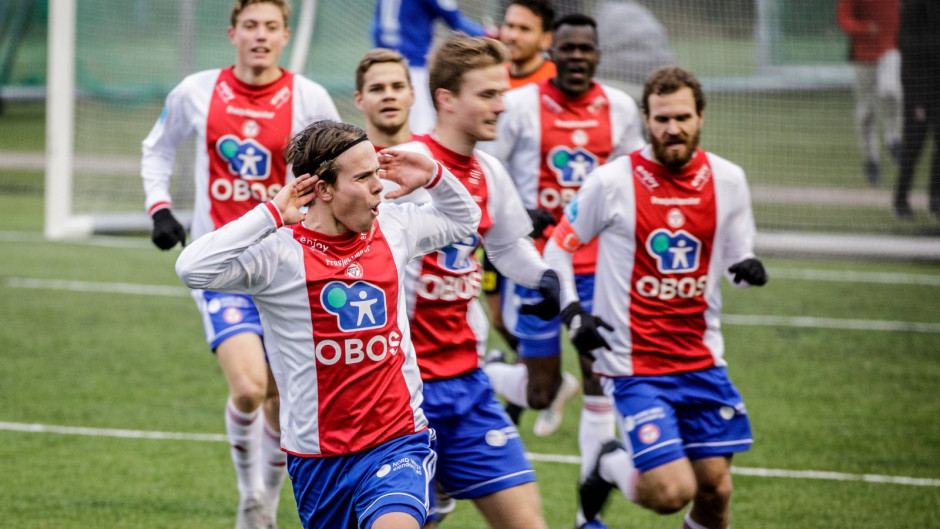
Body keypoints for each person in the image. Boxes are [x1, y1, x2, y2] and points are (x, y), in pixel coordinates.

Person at [176, 119, 482, 529]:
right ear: (323, 189)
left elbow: (465, 220)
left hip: (396, 440)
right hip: (317, 459)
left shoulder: (394, 227)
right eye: (364, 177)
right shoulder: (278, 255)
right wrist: (271, 213)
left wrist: (434, 175)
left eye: (377, 173)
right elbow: (192, 268)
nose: (379, 186)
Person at [139, 2, 339, 527]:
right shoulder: (196, 91)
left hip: (284, 266)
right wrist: (159, 208)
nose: (260, 35)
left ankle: (264, 504)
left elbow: (335, 169)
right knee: (249, 388)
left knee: (279, 396)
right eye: (250, 26)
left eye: (271, 27)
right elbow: (157, 148)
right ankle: (248, 494)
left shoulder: (309, 97)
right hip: (222, 265)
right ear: (233, 33)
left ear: (285, 35)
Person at [542, 66, 768, 529]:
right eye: (662, 118)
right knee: (672, 492)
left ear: (701, 117)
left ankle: (609, 461)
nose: (672, 128)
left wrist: (747, 269)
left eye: (682, 117)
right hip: (634, 365)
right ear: (646, 119)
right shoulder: (611, 182)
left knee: (715, 492)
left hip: (701, 360)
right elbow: (556, 249)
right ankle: (609, 463)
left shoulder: (729, 180)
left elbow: (737, 266)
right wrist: (573, 313)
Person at [391, 33, 557, 529]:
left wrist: (545, 278)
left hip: (467, 383)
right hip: (400, 390)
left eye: (502, 93)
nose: (501, 106)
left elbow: (506, 246)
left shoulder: (489, 171)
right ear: (446, 99)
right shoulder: (401, 167)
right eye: (487, 94)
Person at [480, 13, 645, 489]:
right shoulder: (521, 105)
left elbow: (633, 179)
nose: (576, 57)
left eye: (584, 49)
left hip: (600, 270)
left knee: (599, 381)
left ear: (597, 55)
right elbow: (488, 169)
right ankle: (491, 370)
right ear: (553, 53)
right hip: (537, 269)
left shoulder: (620, 107)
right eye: (567, 49)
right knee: (541, 392)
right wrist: (516, 212)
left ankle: (587, 512)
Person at [370, 0, 487, 135]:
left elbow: (375, 29)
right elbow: (455, 21)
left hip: (385, 66)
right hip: (413, 67)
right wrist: (488, 35)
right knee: (421, 128)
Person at [837, 0, 901, 186]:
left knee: (894, 97)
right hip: (865, 57)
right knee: (867, 111)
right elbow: (844, 20)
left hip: (892, 52)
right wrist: (865, 27)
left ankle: (893, 139)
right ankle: (871, 159)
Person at [893, 0, 940, 219]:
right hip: (918, 90)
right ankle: (900, 199)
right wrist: (918, 99)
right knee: (913, 146)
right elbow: (906, 44)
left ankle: (935, 201)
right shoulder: (914, 7)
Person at [355, 48, 417, 150]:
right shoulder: (345, 158)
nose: (389, 95)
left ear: (412, 94)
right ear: (359, 100)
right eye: (376, 89)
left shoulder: (434, 155)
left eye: (398, 87)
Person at [500, 0, 556, 89]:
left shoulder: (556, 81)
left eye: (524, 29)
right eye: (510, 25)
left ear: (546, 40)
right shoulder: (492, 75)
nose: (513, 36)